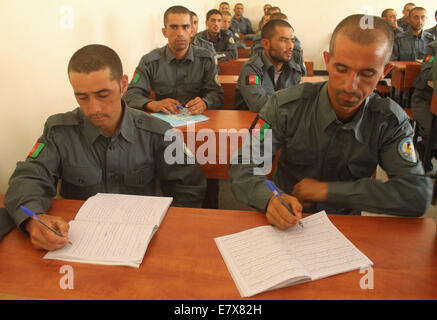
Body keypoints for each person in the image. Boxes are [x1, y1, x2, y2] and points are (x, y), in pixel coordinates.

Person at [229, 14, 431, 229]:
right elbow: (244, 163)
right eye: (341, 69)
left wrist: (328, 191)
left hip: (346, 225)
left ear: (385, 71)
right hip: (287, 217)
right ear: (327, 61)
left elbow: (416, 194)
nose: (350, 86)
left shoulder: (389, 121)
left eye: (367, 74)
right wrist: (268, 198)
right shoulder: (284, 107)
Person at [4, 44, 207, 250]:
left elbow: (188, 187)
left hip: (143, 241)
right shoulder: (59, 131)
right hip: (75, 243)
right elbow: (29, 177)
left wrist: (171, 234)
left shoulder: (158, 132)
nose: (94, 108)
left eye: (103, 95)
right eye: (82, 97)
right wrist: (34, 219)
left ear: (124, 84)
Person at [123, 6, 223, 115]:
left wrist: (205, 103)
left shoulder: (206, 59)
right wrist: (152, 104)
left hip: (197, 119)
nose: (180, 33)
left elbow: (216, 94)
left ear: (192, 31)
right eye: (174, 27)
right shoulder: (149, 61)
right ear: (164, 32)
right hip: (163, 120)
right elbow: (131, 95)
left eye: (185, 27)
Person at [233, 19, 303, 112]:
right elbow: (258, 104)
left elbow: (300, 102)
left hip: (282, 121)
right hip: (253, 122)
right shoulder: (252, 68)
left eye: (292, 40)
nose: (290, 46)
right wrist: (291, 103)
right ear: (265, 43)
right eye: (283, 40)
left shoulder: (294, 68)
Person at [411, 40, 437, 162]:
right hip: (424, 99)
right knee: (432, 130)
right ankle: (425, 148)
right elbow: (426, 73)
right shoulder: (433, 48)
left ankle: (429, 148)